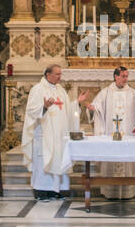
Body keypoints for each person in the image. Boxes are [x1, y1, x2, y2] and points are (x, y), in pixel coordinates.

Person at [81, 66, 135, 199]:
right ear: (116, 77)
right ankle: (109, 191)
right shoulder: (105, 92)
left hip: (127, 135)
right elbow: (96, 109)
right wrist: (92, 110)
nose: (126, 79)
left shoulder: (132, 92)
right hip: (110, 134)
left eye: (127, 76)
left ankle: (127, 191)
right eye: (123, 76)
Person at [21, 64, 86, 199]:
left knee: (58, 160)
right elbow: (31, 111)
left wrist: (76, 103)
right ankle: (41, 191)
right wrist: (44, 107)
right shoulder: (37, 89)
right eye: (57, 74)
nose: (60, 77)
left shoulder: (60, 90)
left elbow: (67, 109)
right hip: (45, 133)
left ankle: (57, 190)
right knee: (44, 160)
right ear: (48, 75)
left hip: (60, 134)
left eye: (60, 74)